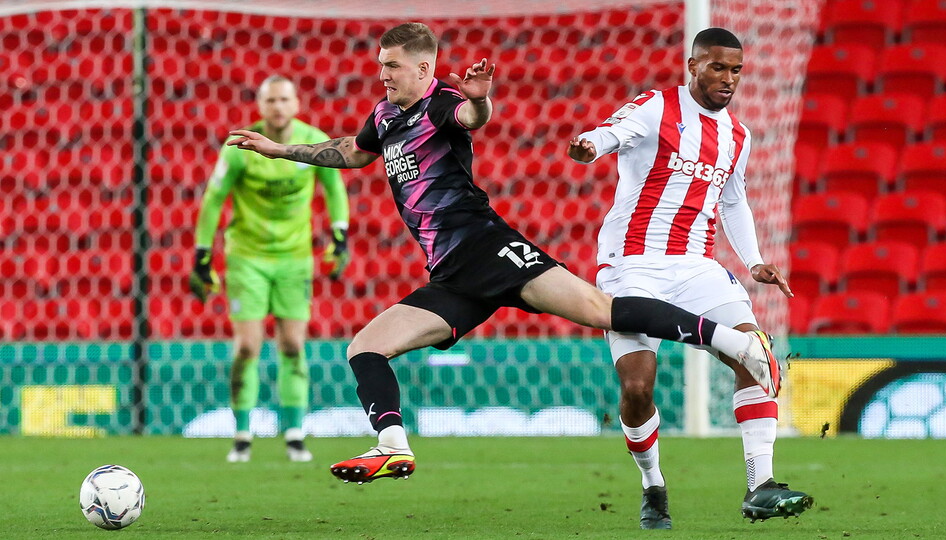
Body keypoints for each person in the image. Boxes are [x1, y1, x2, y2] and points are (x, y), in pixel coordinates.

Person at [227, 22, 780, 485]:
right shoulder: (385, 116)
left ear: (423, 69)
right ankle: (392, 444)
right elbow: (350, 152)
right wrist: (278, 150)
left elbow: (473, 119)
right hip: (451, 275)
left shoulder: (442, 102)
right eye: (381, 65)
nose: (383, 74)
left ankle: (731, 342)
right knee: (365, 349)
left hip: (488, 247)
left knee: (600, 310)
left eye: (392, 66)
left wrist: (480, 98)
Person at [567, 28, 812, 528]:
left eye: (736, 70)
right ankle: (653, 483)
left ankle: (760, 485)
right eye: (717, 67)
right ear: (692, 65)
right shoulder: (657, 106)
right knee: (637, 388)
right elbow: (612, 132)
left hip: (697, 265)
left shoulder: (737, 135)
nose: (728, 79)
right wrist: (590, 146)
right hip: (632, 264)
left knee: (757, 356)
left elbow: (734, 200)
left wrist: (755, 261)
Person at [190, 75, 350, 463]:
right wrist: (201, 252)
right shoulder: (242, 147)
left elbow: (334, 189)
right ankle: (242, 434)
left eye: (284, 99)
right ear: (261, 107)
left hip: (295, 259)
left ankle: (295, 433)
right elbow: (214, 199)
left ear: (296, 104)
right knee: (247, 346)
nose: (278, 107)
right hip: (247, 257)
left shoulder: (312, 142)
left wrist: (340, 233)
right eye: (270, 100)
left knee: (293, 346)